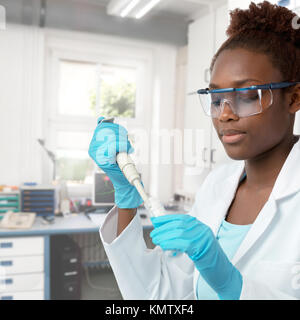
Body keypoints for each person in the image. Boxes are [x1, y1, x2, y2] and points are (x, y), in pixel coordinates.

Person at [88, 1, 300, 299]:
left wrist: (232, 286)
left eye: (248, 95)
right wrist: (126, 199)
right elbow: (160, 295)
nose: (224, 114)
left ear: (294, 98)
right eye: (215, 99)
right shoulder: (217, 186)